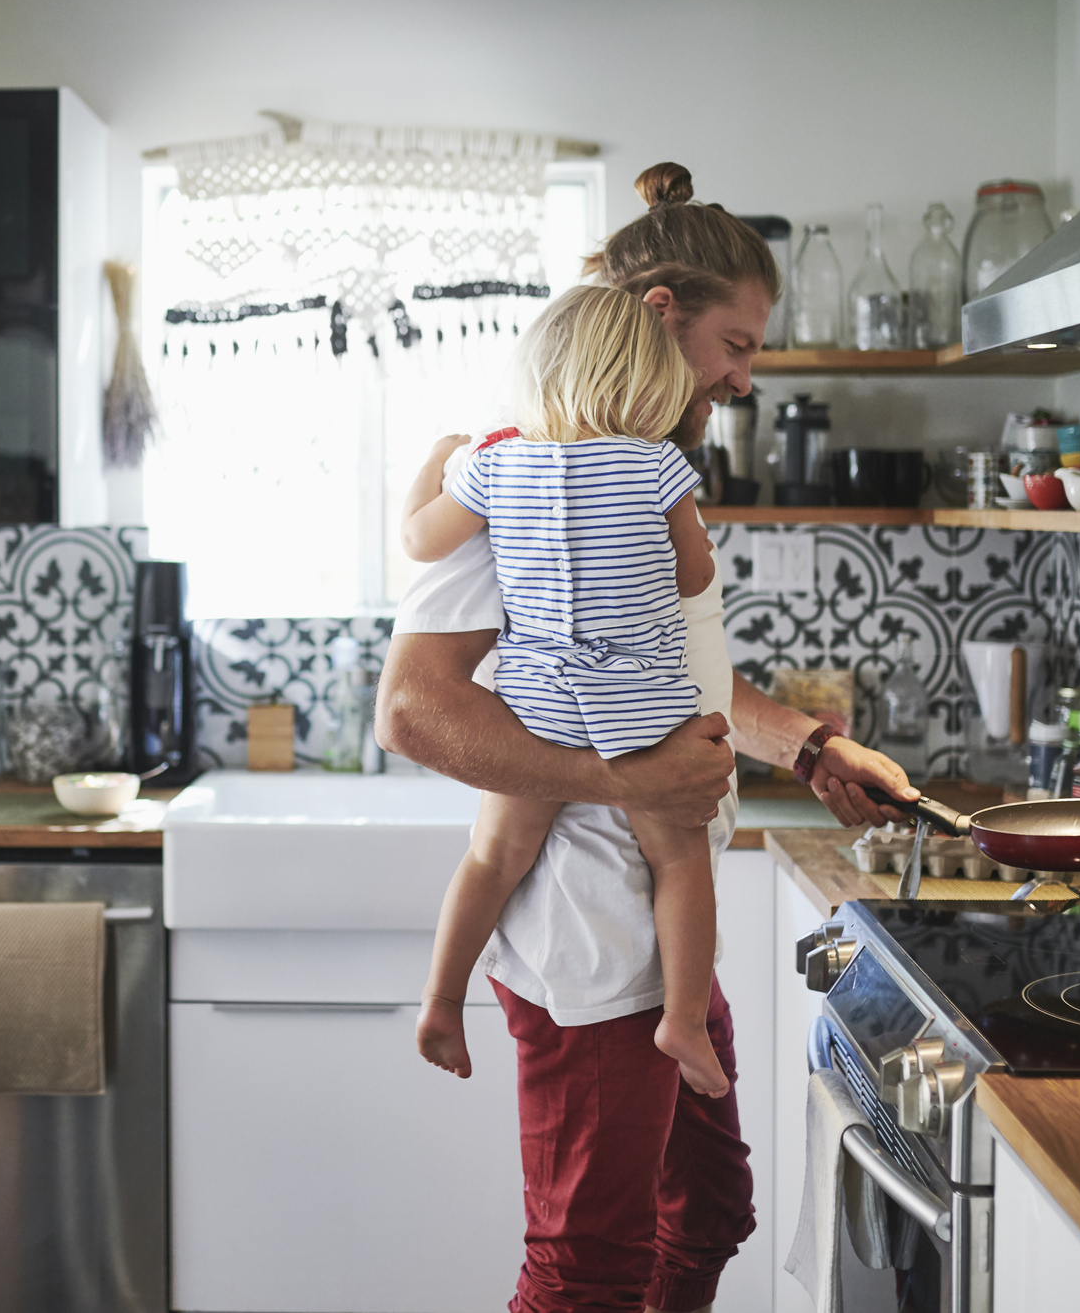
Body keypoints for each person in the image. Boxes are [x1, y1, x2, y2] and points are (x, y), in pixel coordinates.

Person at [374, 161, 917, 1313]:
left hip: (662, 923)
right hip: (587, 938)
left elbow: (681, 677)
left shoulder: (642, 467)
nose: (745, 374)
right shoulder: (514, 471)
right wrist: (627, 778)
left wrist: (807, 745)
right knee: (586, 1270)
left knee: (712, 1213)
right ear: (661, 316)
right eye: (737, 342)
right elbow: (415, 711)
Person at [401, 284, 730, 1100]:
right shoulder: (658, 463)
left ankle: (443, 1000)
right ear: (650, 382)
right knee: (679, 856)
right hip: (641, 704)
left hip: (538, 699)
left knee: (492, 854)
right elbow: (696, 574)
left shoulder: (492, 463)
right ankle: (683, 1018)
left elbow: (416, 541)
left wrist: (434, 463)